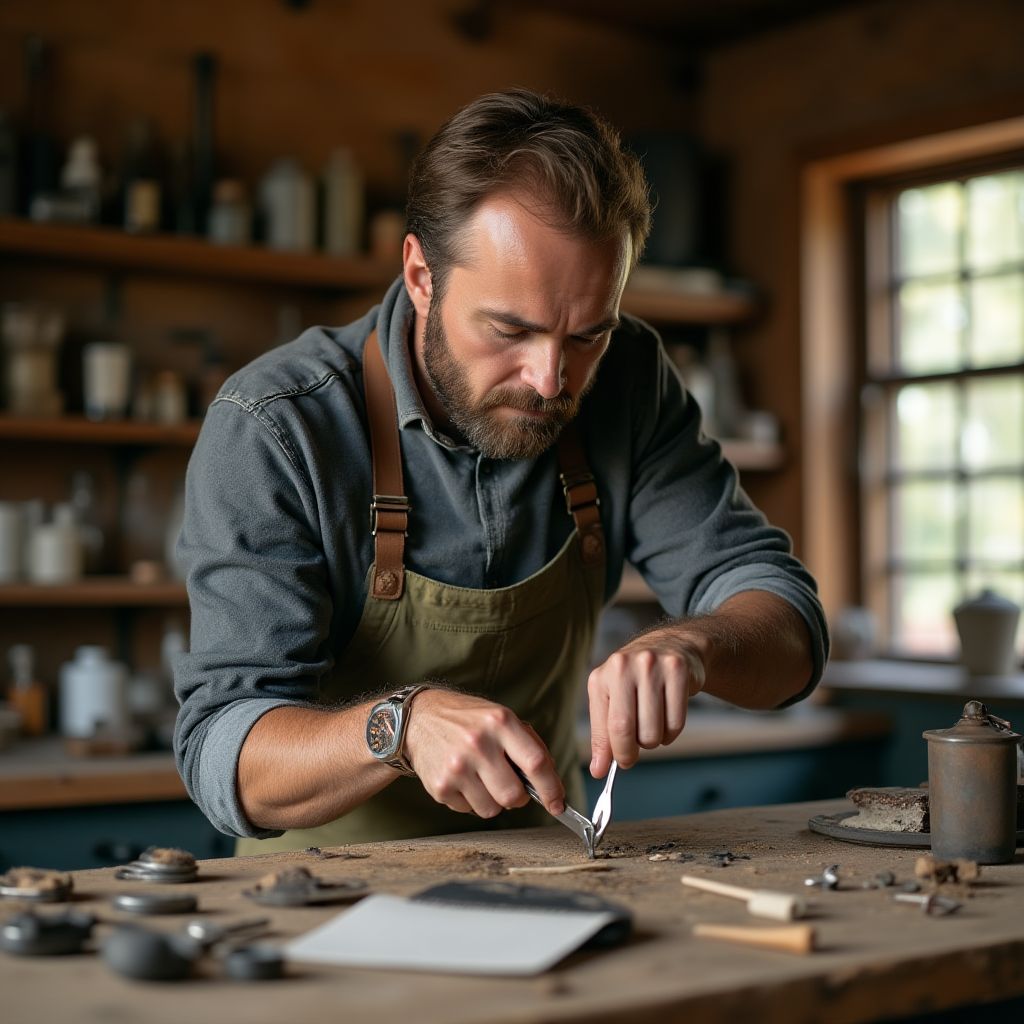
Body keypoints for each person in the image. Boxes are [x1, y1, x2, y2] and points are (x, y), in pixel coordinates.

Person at [173, 88, 828, 854]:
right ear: (421, 275)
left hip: (548, 872)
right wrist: (400, 727)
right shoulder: (278, 425)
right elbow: (223, 755)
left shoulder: (628, 383)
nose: (551, 381)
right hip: (319, 892)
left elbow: (789, 631)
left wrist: (697, 644)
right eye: (510, 329)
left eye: (587, 335)